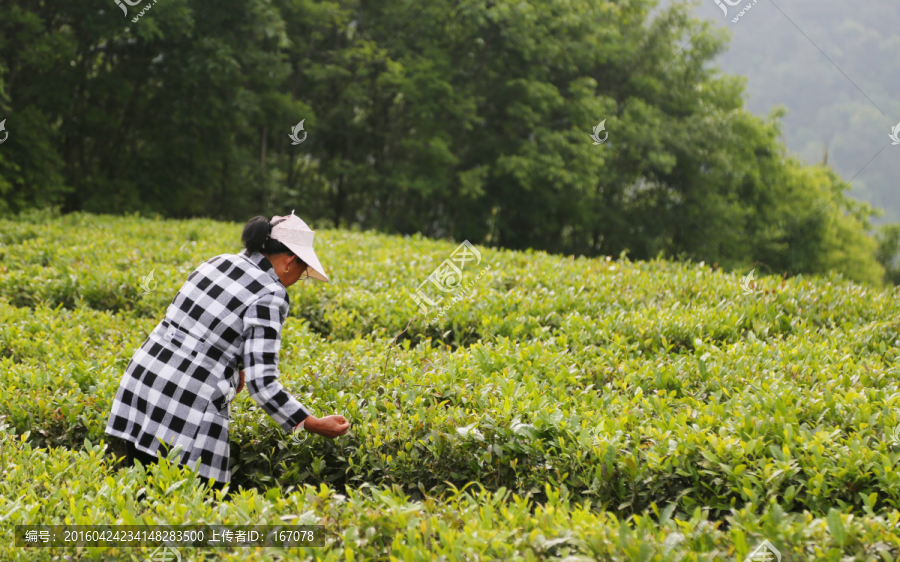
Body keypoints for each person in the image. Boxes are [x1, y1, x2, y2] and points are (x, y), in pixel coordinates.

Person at [105, 210, 351, 496]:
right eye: (303, 272)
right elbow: (263, 383)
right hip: (184, 407)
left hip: (142, 386)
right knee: (197, 509)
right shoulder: (271, 294)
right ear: (290, 261)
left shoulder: (217, 261)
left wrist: (237, 368)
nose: (299, 279)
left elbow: (198, 328)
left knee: (145, 503)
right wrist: (309, 422)